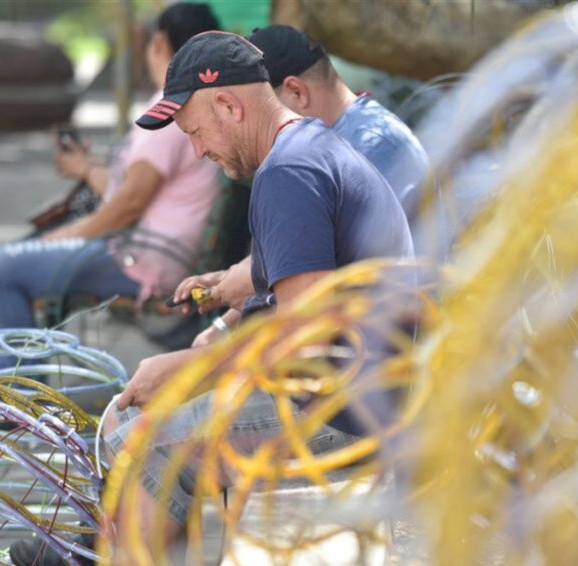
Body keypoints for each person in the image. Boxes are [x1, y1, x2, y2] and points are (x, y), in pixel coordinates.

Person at [26, 31, 413, 566]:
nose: (198, 150)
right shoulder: (305, 152)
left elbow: (307, 338)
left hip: (351, 415)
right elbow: (295, 298)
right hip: (368, 388)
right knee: (154, 425)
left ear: (230, 106)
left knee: (156, 439)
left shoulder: (289, 172)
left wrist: (188, 367)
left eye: (196, 130)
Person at [0, 3, 222, 400]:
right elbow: (132, 192)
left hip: (144, 261)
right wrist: (88, 169)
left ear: (158, 43)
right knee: (13, 259)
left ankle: (12, 394)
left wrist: (67, 235)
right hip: (144, 251)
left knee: (3, 266)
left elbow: (129, 204)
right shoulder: (185, 103)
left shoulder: (168, 114)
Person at [169, 24, 430, 347]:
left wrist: (206, 357)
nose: (198, 151)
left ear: (295, 92)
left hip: (379, 363)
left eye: (196, 132)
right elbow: (322, 254)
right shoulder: (319, 147)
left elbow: (308, 329)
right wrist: (236, 289)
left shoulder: (311, 160)